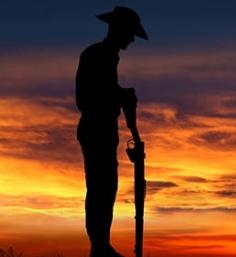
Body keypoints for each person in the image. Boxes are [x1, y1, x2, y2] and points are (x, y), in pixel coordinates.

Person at [75, 6, 148, 257]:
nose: (131, 40)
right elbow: (90, 96)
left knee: (104, 187)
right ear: (121, 30)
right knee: (101, 188)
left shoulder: (103, 56)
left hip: (102, 129)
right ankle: (100, 247)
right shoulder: (100, 55)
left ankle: (100, 245)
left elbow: (105, 89)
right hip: (97, 129)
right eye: (130, 34)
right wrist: (121, 96)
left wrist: (122, 96)